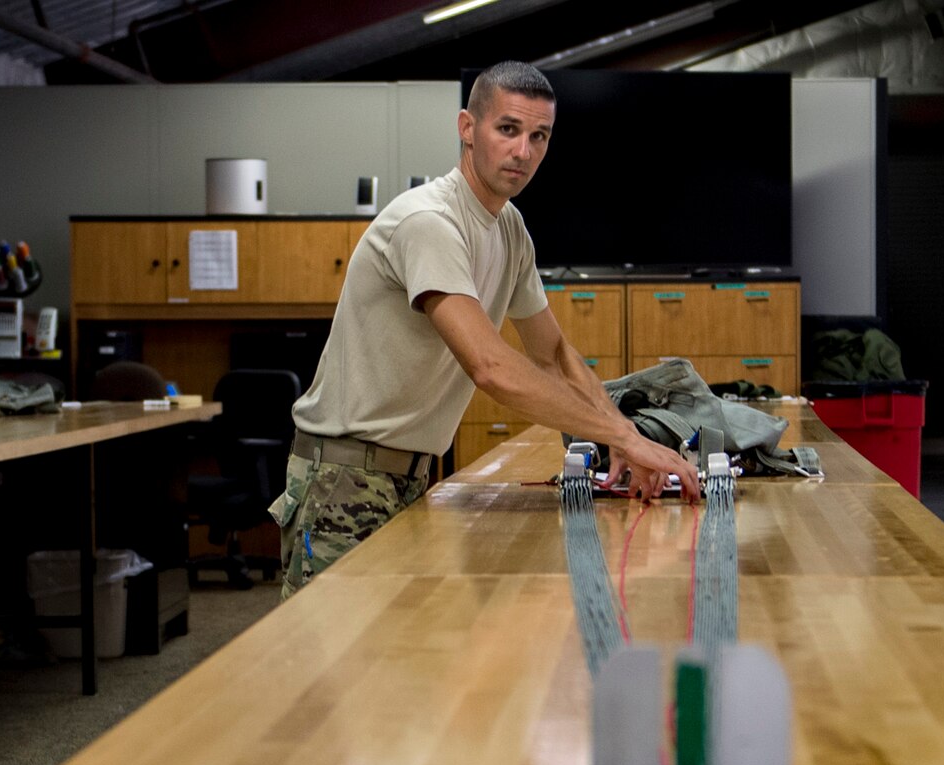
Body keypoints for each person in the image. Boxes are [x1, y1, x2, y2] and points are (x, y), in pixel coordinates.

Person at [275, 60, 699, 599]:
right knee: (331, 669)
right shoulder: (429, 223)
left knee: (397, 661)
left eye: (539, 136)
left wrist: (617, 433)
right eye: (508, 129)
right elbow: (491, 366)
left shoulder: (510, 228)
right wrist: (624, 437)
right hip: (343, 477)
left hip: (411, 474)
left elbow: (554, 355)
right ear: (467, 128)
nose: (524, 151)